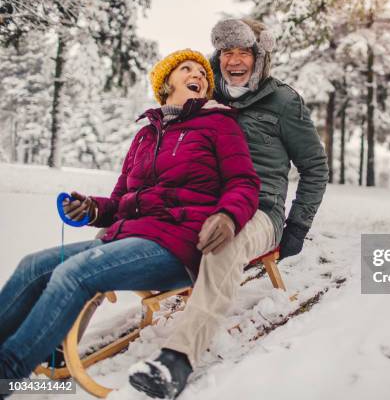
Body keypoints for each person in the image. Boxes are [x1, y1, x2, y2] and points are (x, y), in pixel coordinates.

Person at [0, 49, 260, 381]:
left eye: (202, 74)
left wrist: (227, 215)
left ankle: (7, 371)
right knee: (32, 266)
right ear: (166, 82)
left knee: (75, 272)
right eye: (187, 69)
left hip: (179, 242)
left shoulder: (219, 125)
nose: (198, 75)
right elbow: (120, 200)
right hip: (131, 236)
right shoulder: (146, 135)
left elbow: (244, 182)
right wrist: (92, 208)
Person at [129, 18, 329, 399]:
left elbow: (315, 168)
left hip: (258, 210)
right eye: (227, 53)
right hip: (201, 200)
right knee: (123, 222)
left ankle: (178, 358)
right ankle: (62, 322)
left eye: (244, 53)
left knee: (225, 240)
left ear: (260, 57)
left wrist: (297, 227)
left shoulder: (284, 102)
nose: (234, 61)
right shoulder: (203, 92)